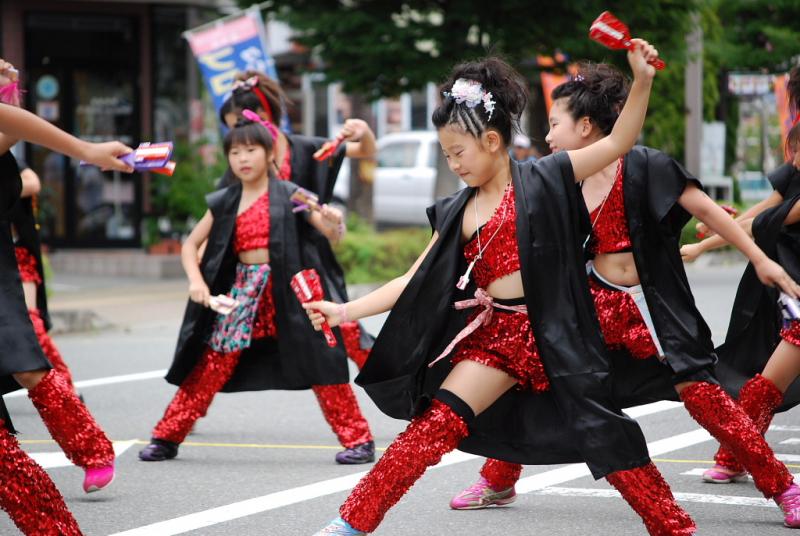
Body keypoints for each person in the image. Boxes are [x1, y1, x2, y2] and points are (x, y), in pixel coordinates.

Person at [307, 44, 703, 536]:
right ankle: (349, 524)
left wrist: (641, 80)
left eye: (459, 152)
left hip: (557, 335)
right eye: (446, 154)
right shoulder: (458, 209)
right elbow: (413, 278)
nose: (453, 163)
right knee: (428, 431)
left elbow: (619, 141)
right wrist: (344, 310)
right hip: (495, 340)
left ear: (493, 141)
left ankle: (673, 525)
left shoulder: (546, 176)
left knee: (605, 435)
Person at [448, 60, 800, 530]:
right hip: (594, 305)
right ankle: (498, 477)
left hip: (656, 310)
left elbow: (706, 210)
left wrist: (758, 257)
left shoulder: (647, 164)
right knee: (546, 381)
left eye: (556, 125)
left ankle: (784, 488)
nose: (549, 137)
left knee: (705, 399)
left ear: (587, 126)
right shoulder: (557, 181)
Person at [138, 119, 368, 466]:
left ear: (269, 152)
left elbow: (328, 229)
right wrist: (197, 282)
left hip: (292, 293)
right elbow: (190, 246)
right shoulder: (225, 200)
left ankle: (358, 440)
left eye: (250, 149)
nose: (242, 158)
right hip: (243, 293)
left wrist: (334, 221)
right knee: (210, 363)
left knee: (321, 359)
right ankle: (167, 437)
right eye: (234, 151)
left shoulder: (292, 192)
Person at [214, 71, 378, 463]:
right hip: (253, 277)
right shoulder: (238, 164)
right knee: (215, 351)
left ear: (264, 117)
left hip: (306, 270)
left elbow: (364, 152)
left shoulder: (308, 150)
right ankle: (169, 433)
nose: (239, 147)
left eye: (242, 129)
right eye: (232, 137)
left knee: (339, 339)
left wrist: (364, 131)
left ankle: (392, 407)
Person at [680, 66, 800, 487]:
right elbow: (755, 217)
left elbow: (761, 221)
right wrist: (709, 237)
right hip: (791, 291)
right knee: (766, 381)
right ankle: (734, 452)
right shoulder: (795, 173)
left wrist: (707, 241)